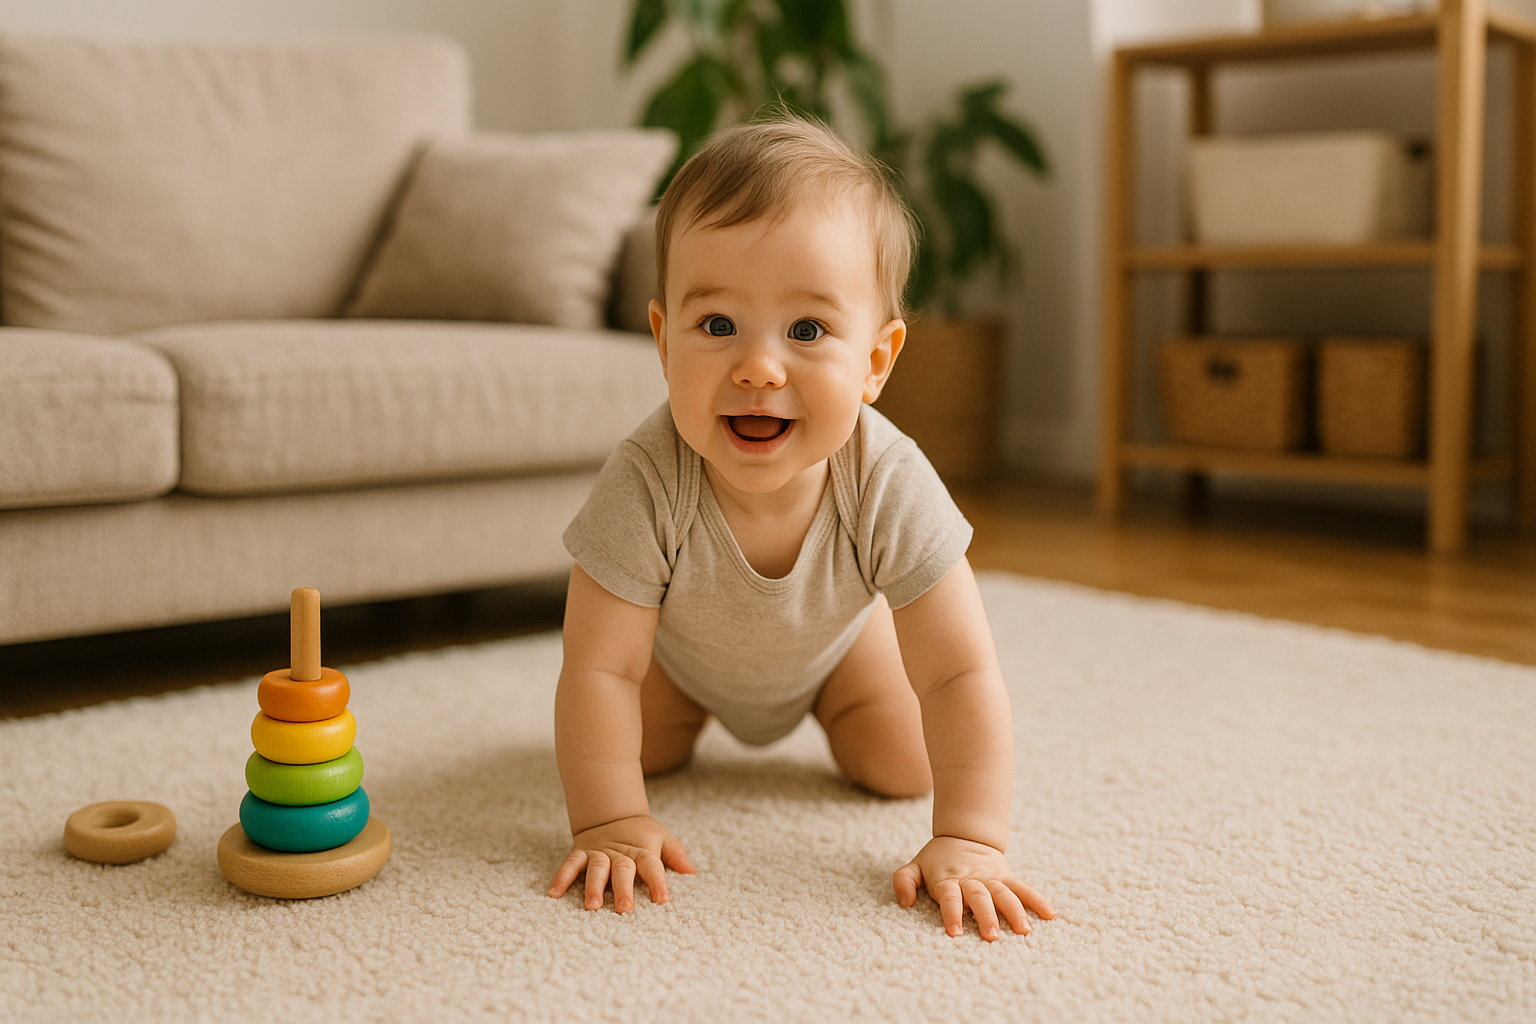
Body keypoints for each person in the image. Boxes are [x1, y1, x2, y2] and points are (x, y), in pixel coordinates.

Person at [547, 115, 1054, 941]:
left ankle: (852, 681)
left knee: (904, 766)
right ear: (664, 341)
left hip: (839, 657)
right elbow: (599, 667)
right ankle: (679, 727)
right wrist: (608, 821)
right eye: (718, 326)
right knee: (629, 758)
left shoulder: (887, 479)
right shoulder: (645, 478)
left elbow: (960, 672)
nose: (758, 367)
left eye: (807, 331)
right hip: (679, 662)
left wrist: (971, 838)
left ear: (876, 363)